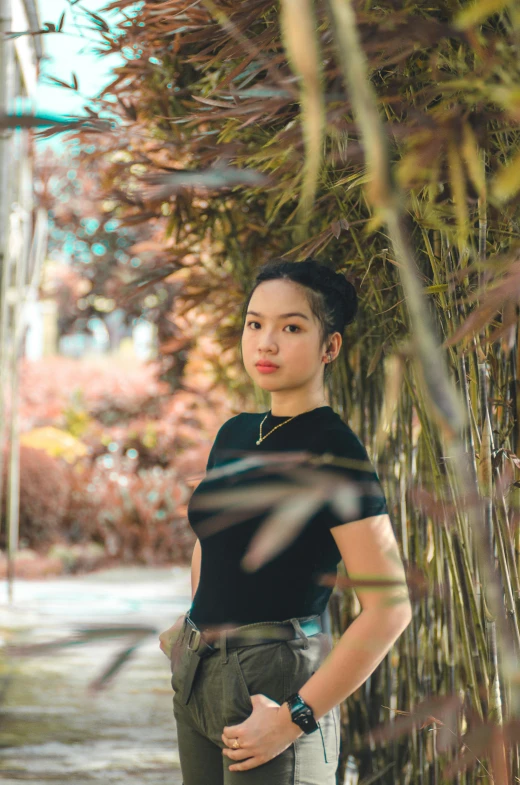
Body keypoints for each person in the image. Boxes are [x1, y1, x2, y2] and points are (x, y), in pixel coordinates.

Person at [159, 258, 412, 784]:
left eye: (291, 327)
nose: (265, 343)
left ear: (330, 347)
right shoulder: (235, 432)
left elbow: (390, 608)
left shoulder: (334, 452)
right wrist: (193, 625)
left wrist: (296, 718)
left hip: (275, 685)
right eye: (255, 324)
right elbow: (213, 539)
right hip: (202, 676)